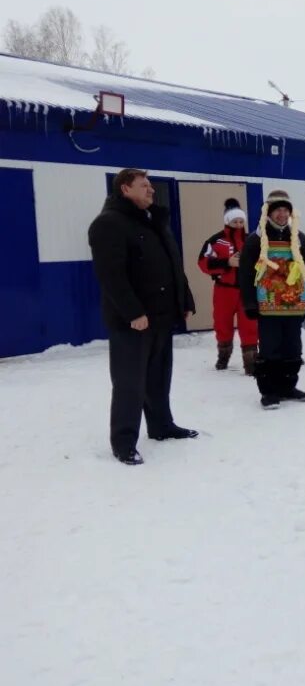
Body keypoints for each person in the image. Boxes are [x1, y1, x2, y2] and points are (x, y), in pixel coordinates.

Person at [88, 168, 197, 466]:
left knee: (159, 377)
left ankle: (162, 426)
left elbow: (174, 262)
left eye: (150, 185)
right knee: (129, 382)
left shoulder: (153, 221)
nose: (151, 190)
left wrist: (184, 299)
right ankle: (124, 442)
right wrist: (133, 312)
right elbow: (111, 276)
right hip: (133, 321)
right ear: (125, 189)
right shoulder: (108, 224)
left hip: (161, 316)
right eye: (144, 185)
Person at [238, 189, 305, 409]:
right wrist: (249, 303)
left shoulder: (299, 237)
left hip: (294, 304)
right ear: (269, 213)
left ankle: (288, 387)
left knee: (293, 348)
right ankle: (269, 391)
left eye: (285, 210)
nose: (282, 215)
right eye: (278, 211)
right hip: (268, 305)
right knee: (270, 349)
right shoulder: (257, 239)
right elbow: (245, 273)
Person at [198, 198, 258, 374]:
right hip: (224, 290)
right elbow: (203, 262)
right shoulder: (216, 241)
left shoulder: (252, 240)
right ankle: (223, 356)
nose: (238, 224)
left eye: (241, 221)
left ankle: (251, 363)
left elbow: (262, 262)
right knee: (222, 324)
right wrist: (227, 263)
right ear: (227, 221)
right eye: (235, 221)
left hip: (247, 291)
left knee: (250, 325)